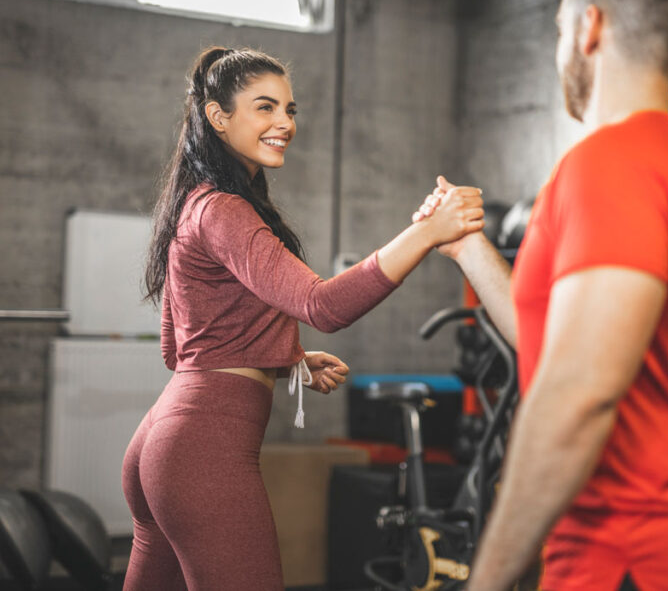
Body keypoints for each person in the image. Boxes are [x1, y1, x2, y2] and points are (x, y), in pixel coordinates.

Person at [414, 0, 668, 590]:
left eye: (558, 29)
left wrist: (486, 580)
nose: (560, 51)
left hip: (636, 558)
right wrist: (471, 248)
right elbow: (561, 349)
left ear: (591, 26)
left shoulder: (612, 164)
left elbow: (576, 392)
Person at [121, 46, 484, 590]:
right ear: (219, 117)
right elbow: (323, 305)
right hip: (202, 451)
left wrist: (287, 357)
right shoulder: (224, 209)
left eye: (290, 110)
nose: (284, 123)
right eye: (264, 108)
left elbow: (181, 346)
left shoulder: (195, 202)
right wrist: (429, 232)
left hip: (163, 441)